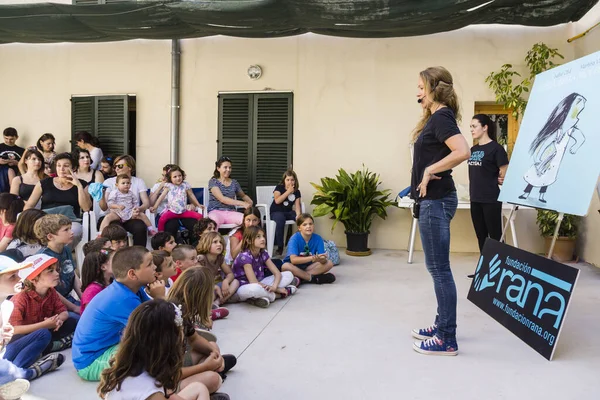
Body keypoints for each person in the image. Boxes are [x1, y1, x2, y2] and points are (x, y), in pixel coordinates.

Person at [409, 66, 470, 356]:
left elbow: (462, 150)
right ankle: (441, 324)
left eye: (422, 87)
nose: (417, 92)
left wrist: (430, 169)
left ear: (435, 88)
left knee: (440, 271)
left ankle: (447, 338)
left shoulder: (442, 115)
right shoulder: (436, 118)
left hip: (436, 201)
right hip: (432, 201)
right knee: (438, 271)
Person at [97, 299, 229, 400]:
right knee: (202, 388)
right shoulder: (152, 393)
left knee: (199, 388)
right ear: (167, 344)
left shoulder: (134, 366)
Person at [72, 246, 165, 381]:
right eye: (149, 264)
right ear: (132, 274)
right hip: (91, 362)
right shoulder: (123, 298)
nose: (155, 267)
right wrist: (160, 298)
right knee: (151, 356)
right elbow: (157, 326)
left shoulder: (131, 289)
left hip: (108, 347)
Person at [0, 255, 64, 400]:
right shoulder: (18, 299)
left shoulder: (6, 306)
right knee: (8, 372)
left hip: (5, 355)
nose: (20, 279)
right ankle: (29, 373)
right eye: (12, 277)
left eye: (18, 275)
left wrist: (4, 335)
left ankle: (13, 375)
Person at [7, 254, 77, 368]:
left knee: (72, 321)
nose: (57, 273)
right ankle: (49, 347)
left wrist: (58, 320)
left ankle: (48, 347)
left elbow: (63, 311)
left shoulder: (51, 291)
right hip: (26, 337)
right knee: (43, 334)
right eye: (50, 271)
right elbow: (14, 330)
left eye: (56, 270)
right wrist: (44, 325)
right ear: (34, 279)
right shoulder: (20, 298)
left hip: (48, 328)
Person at [167, 267, 237, 379]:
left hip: (179, 364)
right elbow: (169, 374)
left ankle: (216, 370)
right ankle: (215, 375)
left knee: (212, 346)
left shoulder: (182, 309)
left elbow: (194, 339)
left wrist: (214, 353)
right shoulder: (172, 316)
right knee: (212, 380)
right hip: (169, 379)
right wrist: (205, 366)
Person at [519, 93, 587, 203]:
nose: (577, 117)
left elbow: (581, 138)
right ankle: (526, 193)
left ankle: (541, 196)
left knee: (548, 177)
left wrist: (575, 147)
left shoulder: (570, 129)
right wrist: (538, 157)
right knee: (536, 175)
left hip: (556, 159)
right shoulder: (557, 129)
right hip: (547, 156)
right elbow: (545, 143)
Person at [24, 152, 92, 247]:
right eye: (59, 166)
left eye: (66, 166)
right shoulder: (44, 183)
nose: (61, 169)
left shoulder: (82, 184)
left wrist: (79, 186)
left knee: (75, 230)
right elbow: (29, 206)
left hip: (70, 222)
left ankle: (59, 254)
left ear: (73, 168)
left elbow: (86, 208)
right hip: (46, 220)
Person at [468, 114, 509, 254]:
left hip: (491, 199)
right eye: (470, 127)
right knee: (481, 236)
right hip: (475, 198)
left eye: (474, 126)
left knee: (495, 236)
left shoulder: (496, 149)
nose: (472, 130)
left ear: (485, 127)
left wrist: (500, 179)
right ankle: (484, 271)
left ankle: (500, 270)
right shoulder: (472, 150)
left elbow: (504, 174)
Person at [232, 226, 297, 308]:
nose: (262, 239)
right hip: (244, 287)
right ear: (248, 241)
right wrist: (277, 290)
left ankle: (260, 298)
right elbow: (253, 282)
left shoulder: (263, 253)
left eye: (263, 236)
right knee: (255, 289)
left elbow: (277, 273)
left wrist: (274, 287)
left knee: (289, 274)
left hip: (260, 282)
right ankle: (278, 295)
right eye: (258, 237)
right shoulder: (244, 256)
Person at [34, 214, 82, 320]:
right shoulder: (43, 258)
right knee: (77, 319)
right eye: (66, 230)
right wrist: (74, 307)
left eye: (70, 228)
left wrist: (84, 299)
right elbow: (51, 290)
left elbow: (73, 275)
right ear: (50, 236)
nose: (72, 232)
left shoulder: (66, 250)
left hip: (67, 298)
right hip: (52, 305)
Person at [99, 155, 150, 247]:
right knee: (117, 230)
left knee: (140, 227)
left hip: (131, 215)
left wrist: (138, 209)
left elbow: (146, 203)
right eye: (115, 166)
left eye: (120, 166)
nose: (117, 169)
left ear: (130, 167)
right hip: (114, 215)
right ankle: (117, 256)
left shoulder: (138, 182)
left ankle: (138, 255)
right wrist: (101, 197)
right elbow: (105, 206)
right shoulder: (109, 182)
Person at [282, 213, 335, 284]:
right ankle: (312, 278)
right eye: (305, 225)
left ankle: (300, 278)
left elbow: (323, 260)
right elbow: (293, 260)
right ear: (299, 228)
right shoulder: (294, 238)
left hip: (308, 267)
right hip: (294, 267)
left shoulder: (318, 238)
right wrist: (312, 258)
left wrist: (321, 259)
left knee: (329, 263)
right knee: (285, 266)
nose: (308, 226)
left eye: (310, 224)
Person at [152, 166, 205, 232]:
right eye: (175, 177)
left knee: (200, 216)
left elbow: (191, 195)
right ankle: (161, 236)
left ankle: (203, 235)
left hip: (183, 211)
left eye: (180, 175)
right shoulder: (168, 186)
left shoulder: (185, 185)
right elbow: (161, 197)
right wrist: (155, 206)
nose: (178, 178)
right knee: (162, 220)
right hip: (172, 211)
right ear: (170, 178)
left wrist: (198, 205)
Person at [196, 232, 238, 315]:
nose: (219, 244)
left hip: (214, 286)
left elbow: (230, 274)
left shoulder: (220, 258)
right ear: (206, 243)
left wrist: (226, 281)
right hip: (203, 288)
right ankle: (208, 309)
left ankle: (217, 303)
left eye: (220, 242)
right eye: (215, 242)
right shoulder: (201, 259)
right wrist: (214, 287)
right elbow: (199, 279)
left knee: (235, 282)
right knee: (210, 293)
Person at [207, 156, 253, 228]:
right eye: (225, 167)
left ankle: (246, 239)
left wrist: (250, 202)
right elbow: (222, 199)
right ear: (218, 168)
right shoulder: (213, 181)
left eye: (230, 167)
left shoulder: (234, 182)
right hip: (216, 211)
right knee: (213, 222)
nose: (228, 170)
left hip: (231, 212)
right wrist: (242, 203)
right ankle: (213, 239)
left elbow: (243, 196)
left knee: (247, 221)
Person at [270, 170, 302, 256]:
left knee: (303, 218)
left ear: (295, 181)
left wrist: (298, 216)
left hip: (287, 212)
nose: (290, 182)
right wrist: (288, 192)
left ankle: (303, 244)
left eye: (292, 180)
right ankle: (280, 246)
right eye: (288, 180)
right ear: (284, 181)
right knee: (280, 218)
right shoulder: (279, 188)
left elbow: (297, 206)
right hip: (276, 212)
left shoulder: (297, 192)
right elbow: (277, 201)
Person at [80, 249, 114, 314]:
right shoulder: (92, 291)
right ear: (103, 267)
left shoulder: (112, 282)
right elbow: (90, 316)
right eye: (114, 260)